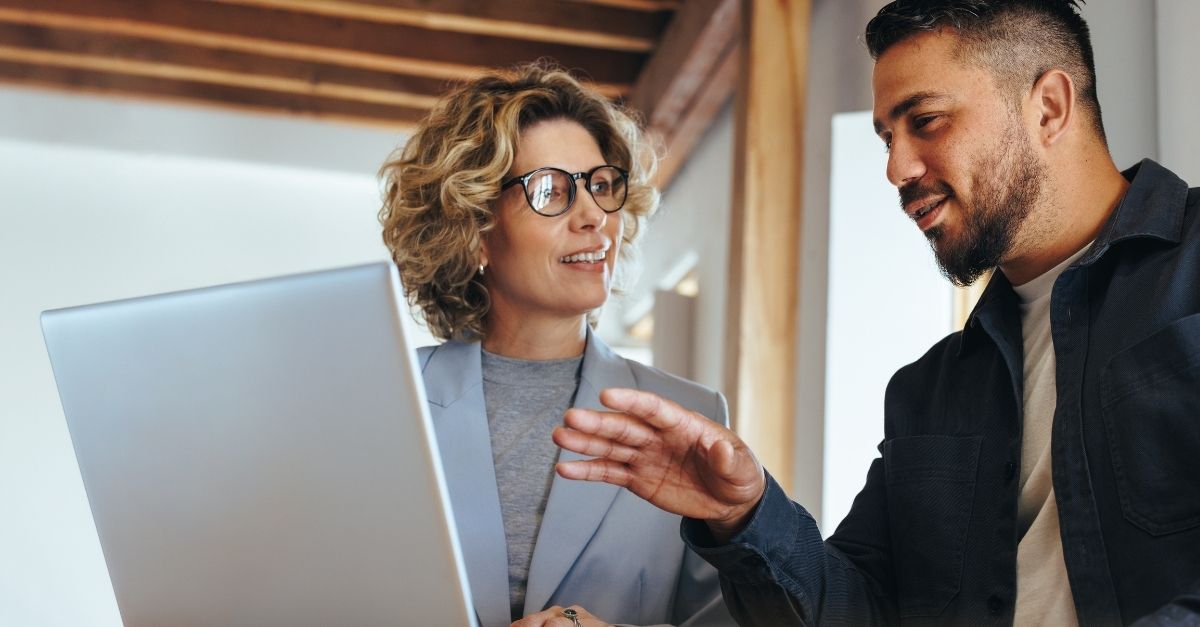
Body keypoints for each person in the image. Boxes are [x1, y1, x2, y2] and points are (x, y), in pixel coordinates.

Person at [552, 1, 1200, 625]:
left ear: (1049, 107)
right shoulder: (929, 391)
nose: (896, 168)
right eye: (888, 136)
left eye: (927, 120)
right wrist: (746, 513)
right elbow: (859, 609)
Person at [378, 64, 735, 627]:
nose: (594, 216)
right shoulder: (383, 404)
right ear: (474, 229)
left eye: (601, 185)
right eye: (552, 191)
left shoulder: (690, 415)